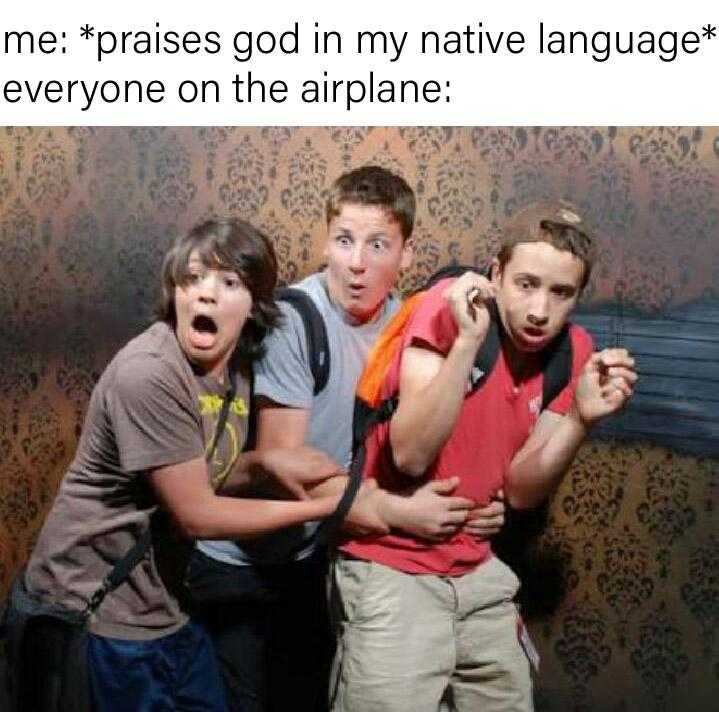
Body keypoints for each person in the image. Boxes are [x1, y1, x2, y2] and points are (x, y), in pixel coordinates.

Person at [189, 166, 505, 712]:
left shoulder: (411, 324)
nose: (357, 263)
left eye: (378, 244)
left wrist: (480, 503)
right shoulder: (297, 318)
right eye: (344, 240)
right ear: (327, 240)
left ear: (407, 254)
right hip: (243, 565)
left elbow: (447, 435)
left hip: (320, 551)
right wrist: (395, 512)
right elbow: (286, 469)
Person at [21, 218, 346, 712]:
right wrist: (323, 509)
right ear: (175, 291)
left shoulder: (231, 368)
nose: (205, 295)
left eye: (229, 282)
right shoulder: (149, 372)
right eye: (192, 279)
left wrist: (262, 465)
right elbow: (197, 513)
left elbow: (203, 467)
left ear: (255, 305)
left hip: (164, 606)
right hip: (93, 609)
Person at [332, 200, 639, 712]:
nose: (540, 310)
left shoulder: (572, 350)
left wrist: (581, 420)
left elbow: (521, 490)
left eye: (560, 293)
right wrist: (468, 343)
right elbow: (409, 455)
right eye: (526, 284)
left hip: (481, 575)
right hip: (394, 568)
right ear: (496, 273)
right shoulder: (448, 308)